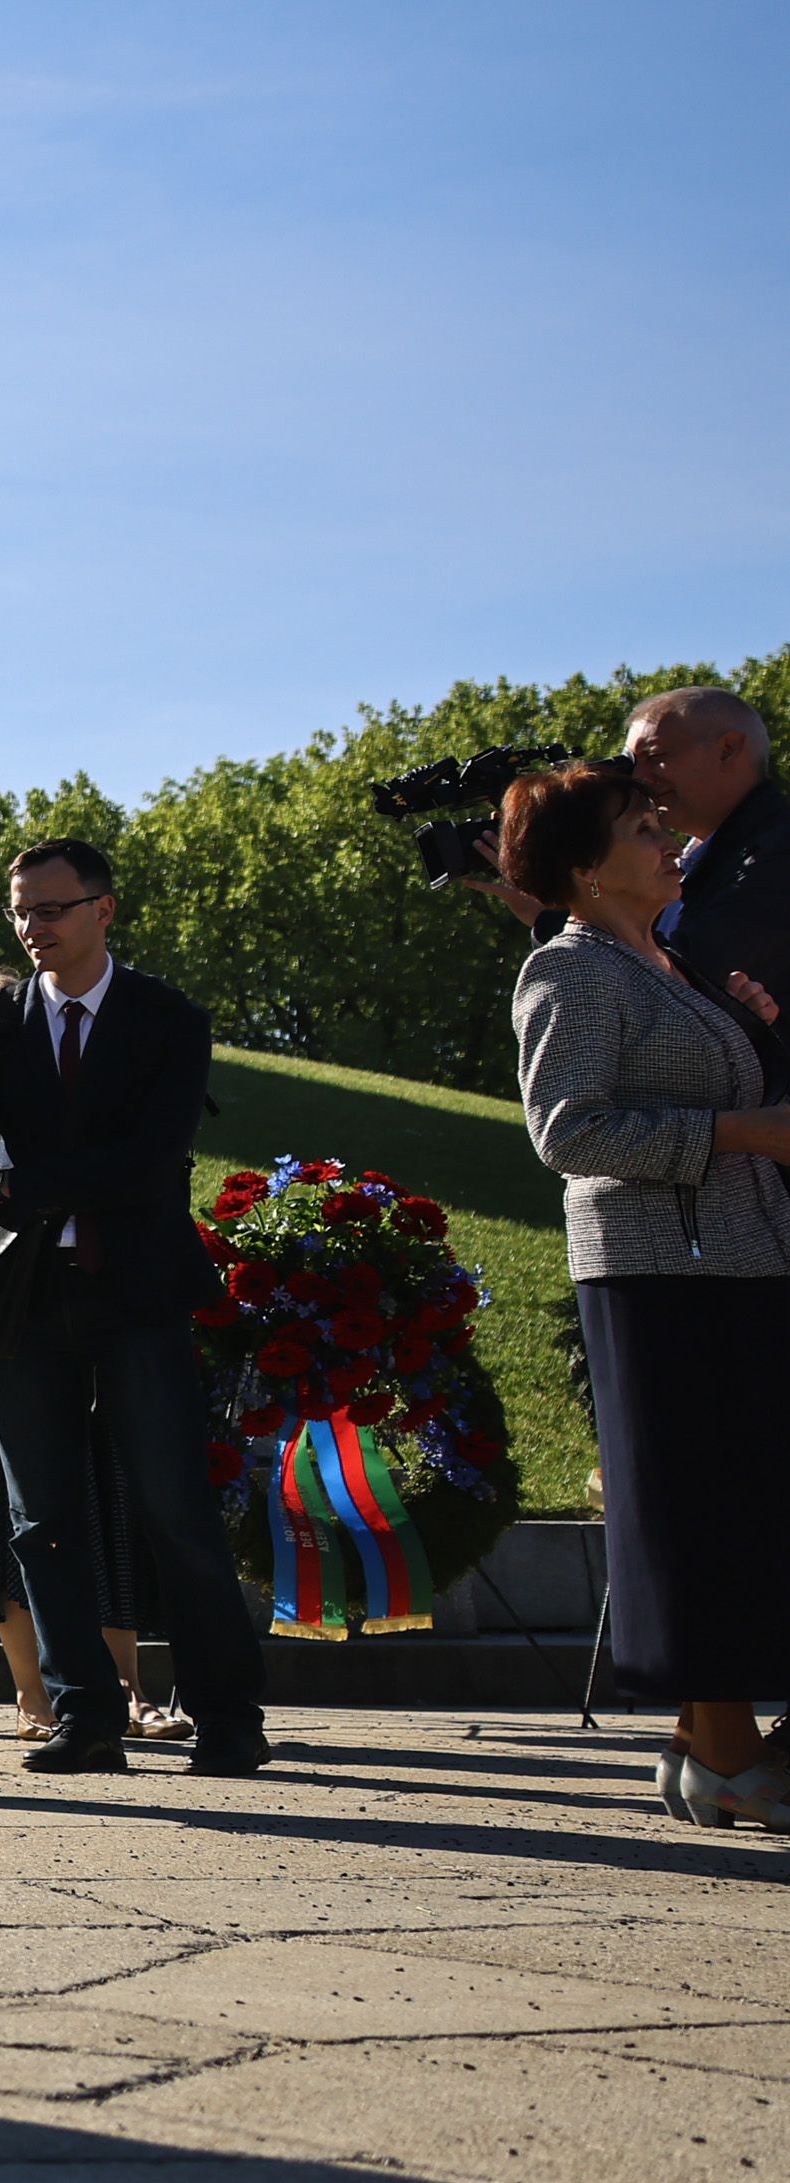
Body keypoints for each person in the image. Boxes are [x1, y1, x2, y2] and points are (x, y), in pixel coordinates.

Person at [0, 837, 268, 1777]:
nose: (32, 927)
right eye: (20, 912)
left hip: (139, 1291)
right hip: (22, 1296)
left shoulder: (168, 1018)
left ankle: (228, 1715)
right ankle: (83, 1716)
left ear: (103, 910)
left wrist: (15, 1183)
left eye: (51, 909)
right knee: (39, 1518)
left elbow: (148, 1164)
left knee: (174, 1508)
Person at [502, 763, 790, 1826]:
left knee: (736, 1503)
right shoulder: (568, 970)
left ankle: (701, 1748)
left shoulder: (669, 961)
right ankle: (727, 1757)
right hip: (659, 1275)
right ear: (585, 868)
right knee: (695, 1511)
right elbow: (566, 1132)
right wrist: (738, 1130)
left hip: (744, 1260)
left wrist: (757, 1041)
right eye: (638, 826)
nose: (665, 838)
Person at [625, 687, 790, 1090]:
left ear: (728, 749)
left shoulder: (780, 852)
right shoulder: (704, 856)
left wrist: (571, 910)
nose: (638, 779)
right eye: (631, 763)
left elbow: (691, 981)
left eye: (656, 757)